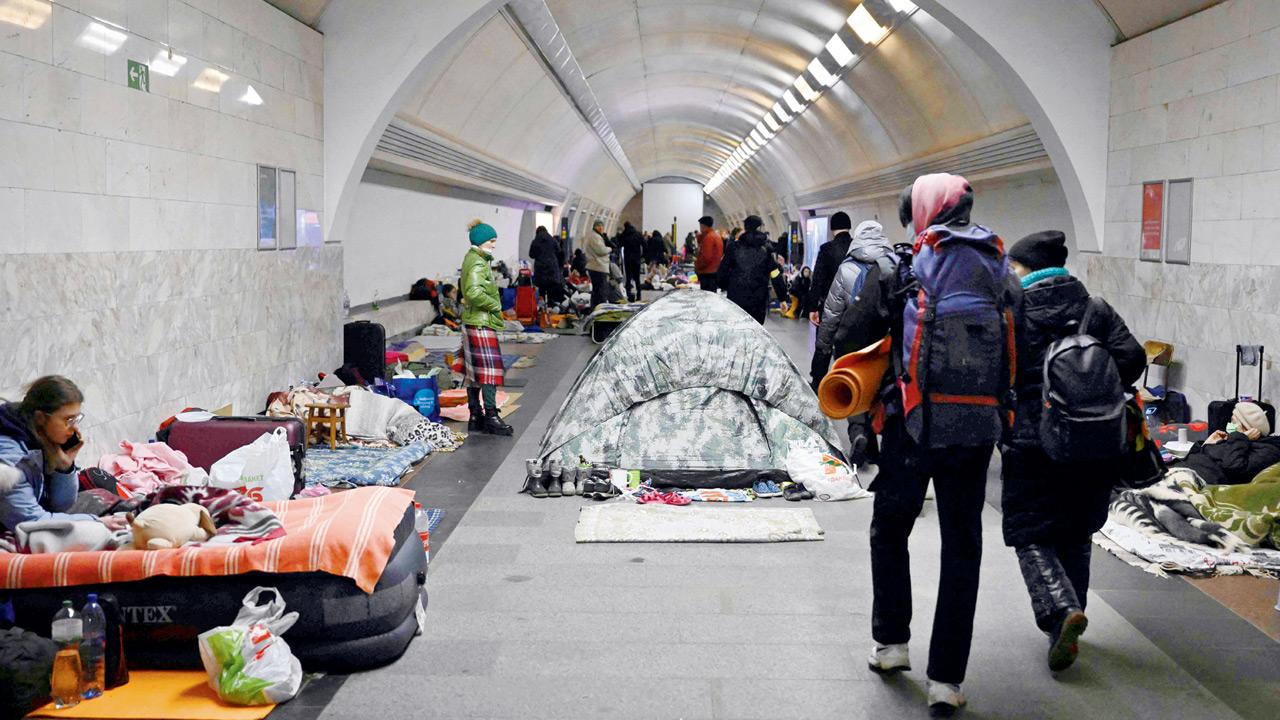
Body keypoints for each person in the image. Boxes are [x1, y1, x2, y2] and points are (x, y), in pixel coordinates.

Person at [867, 174, 1018, 715]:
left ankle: (892, 644)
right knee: (963, 546)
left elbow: (871, 341)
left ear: (924, 211)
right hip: (976, 429)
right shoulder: (1000, 267)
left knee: (891, 528)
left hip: (914, 423)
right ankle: (947, 680)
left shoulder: (907, 267)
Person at [999, 229, 1145, 673]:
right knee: (1076, 533)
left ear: (1025, 268)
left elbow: (998, 367)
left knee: (1030, 531)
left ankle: (1061, 612)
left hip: (1033, 439)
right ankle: (1072, 619)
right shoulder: (1093, 308)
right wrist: (1089, 388)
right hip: (1095, 441)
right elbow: (1133, 359)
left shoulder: (1015, 307)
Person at [0, 376, 129, 532]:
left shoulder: (42, 436)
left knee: (107, 500)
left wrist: (64, 468)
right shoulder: (10, 459)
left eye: (76, 419)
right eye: (68, 420)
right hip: (18, 527)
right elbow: (30, 521)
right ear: (40, 417)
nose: (74, 429)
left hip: (37, 514)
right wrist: (97, 522)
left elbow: (61, 505)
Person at [817, 220, 896, 467]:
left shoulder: (847, 268)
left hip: (852, 335)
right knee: (877, 387)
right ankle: (875, 447)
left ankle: (858, 433)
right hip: (882, 336)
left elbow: (832, 310)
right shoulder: (893, 266)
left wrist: (824, 343)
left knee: (855, 385)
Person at [460, 220, 515, 437]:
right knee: (490, 371)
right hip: (481, 322)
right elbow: (473, 293)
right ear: (482, 240)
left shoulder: (471, 259)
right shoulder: (478, 263)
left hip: (472, 320)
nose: (494, 245)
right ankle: (491, 416)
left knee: (473, 372)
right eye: (492, 241)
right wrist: (495, 305)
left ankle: (475, 415)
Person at [1170, 403, 1279, 485]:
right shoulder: (1235, 442)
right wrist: (1206, 444)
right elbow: (1192, 457)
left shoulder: (1267, 451)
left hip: (1195, 480)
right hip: (1181, 470)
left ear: (1249, 429)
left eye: (1234, 422)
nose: (1229, 425)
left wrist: (1240, 437)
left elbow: (1233, 466)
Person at [806, 211, 854, 390]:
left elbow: (817, 280)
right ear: (849, 226)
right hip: (853, 306)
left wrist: (812, 308)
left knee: (824, 345)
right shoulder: (856, 247)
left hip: (829, 305)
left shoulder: (826, 249)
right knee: (848, 346)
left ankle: (818, 382)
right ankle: (846, 384)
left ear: (832, 228)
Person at [717, 215, 777, 324]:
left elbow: (722, 271)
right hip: (758, 299)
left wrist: (728, 286)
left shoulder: (734, 247)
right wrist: (782, 297)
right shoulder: (766, 249)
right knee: (756, 331)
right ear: (760, 228)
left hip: (736, 298)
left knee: (737, 329)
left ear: (745, 228)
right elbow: (775, 273)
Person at [528, 225, 565, 308]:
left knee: (542, 289)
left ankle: (542, 309)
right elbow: (559, 251)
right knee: (551, 290)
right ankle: (551, 309)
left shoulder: (535, 241)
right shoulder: (552, 240)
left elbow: (531, 255)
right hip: (552, 269)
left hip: (540, 270)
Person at [585, 220, 613, 309]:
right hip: (598, 267)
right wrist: (610, 249)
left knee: (597, 290)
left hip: (597, 266)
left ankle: (595, 308)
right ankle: (601, 309)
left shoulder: (595, 236)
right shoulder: (595, 237)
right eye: (598, 226)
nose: (601, 228)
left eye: (602, 226)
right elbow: (601, 250)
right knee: (601, 291)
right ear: (595, 227)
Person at [618, 222, 645, 302]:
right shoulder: (637, 234)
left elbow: (619, 244)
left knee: (628, 278)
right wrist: (643, 256)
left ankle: (629, 295)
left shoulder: (624, 234)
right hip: (636, 259)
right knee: (637, 278)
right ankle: (639, 295)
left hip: (628, 259)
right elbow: (644, 244)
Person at [694, 217, 723, 292]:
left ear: (703, 225)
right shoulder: (716, 236)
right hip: (714, 271)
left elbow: (706, 258)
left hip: (707, 273)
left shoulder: (708, 238)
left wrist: (697, 267)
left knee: (706, 299)